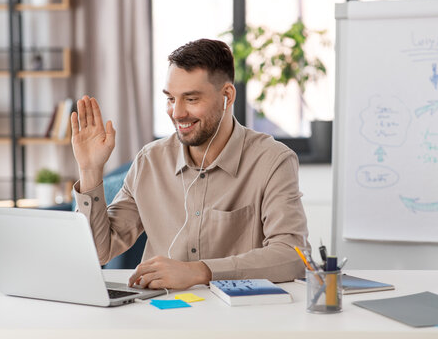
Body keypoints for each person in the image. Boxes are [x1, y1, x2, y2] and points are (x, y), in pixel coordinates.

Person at [71, 38, 310, 290]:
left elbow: (292, 256)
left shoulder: (272, 161)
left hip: (237, 319)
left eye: (191, 99)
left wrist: (200, 271)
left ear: (227, 96)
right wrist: (89, 170)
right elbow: (98, 252)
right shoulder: (149, 161)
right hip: (162, 316)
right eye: (171, 99)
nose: (177, 113)